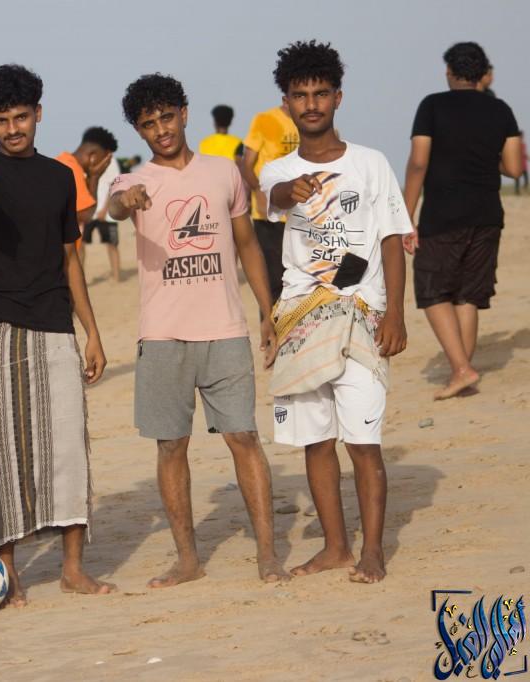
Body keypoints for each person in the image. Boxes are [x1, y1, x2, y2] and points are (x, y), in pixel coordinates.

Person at [109, 73, 287, 586]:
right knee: (171, 446)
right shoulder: (132, 180)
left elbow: (247, 244)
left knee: (244, 436)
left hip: (225, 329)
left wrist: (268, 311)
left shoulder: (223, 171)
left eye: (167, 117)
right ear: (138, 130)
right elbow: (115, 207)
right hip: (162, 335)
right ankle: (187, 559)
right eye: (149, 124)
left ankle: (268, 555)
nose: (161, 129)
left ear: (184, 114)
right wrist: (130, 199)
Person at [0, 64, 113, 605]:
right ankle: (7, 572)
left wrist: (92, 332)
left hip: (53, 320)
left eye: (20, 117)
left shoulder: (60, 177)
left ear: (38, 114)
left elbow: (70, 258)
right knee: (0, 447)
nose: (12, 129)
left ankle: (73, 567)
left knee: (68, 443)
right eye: (1, 120)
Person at [260, 40, 411, 584]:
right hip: (302, 319)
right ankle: (335, 547)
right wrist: (290, 190)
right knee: (316, 441)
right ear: (286, 103)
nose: (311, 104)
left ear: (338, 97)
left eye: (321, 93)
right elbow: (273, 200)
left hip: (363, 316)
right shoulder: (277, 169)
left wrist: (396, 315)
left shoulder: (371, 163)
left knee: (364, 443)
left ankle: (373, 551)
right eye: (300, 95)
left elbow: (392, 239)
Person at [402, 41, 522, 400]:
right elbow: (514, 168)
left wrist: (405, 214)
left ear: (449, 72)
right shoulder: (501, 109)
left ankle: (461, 369)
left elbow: (418, 162)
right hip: (487, 216)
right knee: (468, 295)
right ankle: (463, 371)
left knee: (432, 290)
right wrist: (482, 156)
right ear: (483, 73)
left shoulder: (432, 105)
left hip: (444, 214)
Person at [239, 100, 300, 304]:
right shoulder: (264, 120)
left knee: (299, 283)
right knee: (272, 282)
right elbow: (246, 165)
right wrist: (258, 191)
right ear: (285, 97)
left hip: (300, 216)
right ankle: (269, 322)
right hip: (268, 217)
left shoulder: (308, 122)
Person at [76, 127, 122, 282]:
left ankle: (116, 277)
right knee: (80, 245)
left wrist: (104, 209)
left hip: (106, 214)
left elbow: (114, 186)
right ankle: (80, 278)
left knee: (112, 245)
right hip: (88, 211)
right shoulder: (82, 163)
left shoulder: (112, 162)